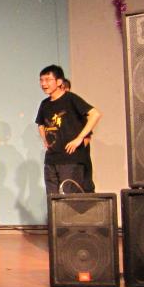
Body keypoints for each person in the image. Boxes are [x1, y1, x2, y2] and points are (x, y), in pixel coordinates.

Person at [36, 66, 101, 196]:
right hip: (51, 159)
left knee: (69, 199)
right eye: (41, 80)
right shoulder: (44, 104)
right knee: (52, 199)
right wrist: (45, 140)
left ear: (59, 82)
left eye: (48, 80)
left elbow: (95, 114)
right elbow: (40, 123)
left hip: (70, 158)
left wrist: (79, 138)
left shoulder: (70, 99)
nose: (44, 84)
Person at [61, 78, 95, 192]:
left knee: (82, 190)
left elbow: (87, 138)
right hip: (63, 164)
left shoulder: (76, 109)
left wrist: (75, 152)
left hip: (78, 162)